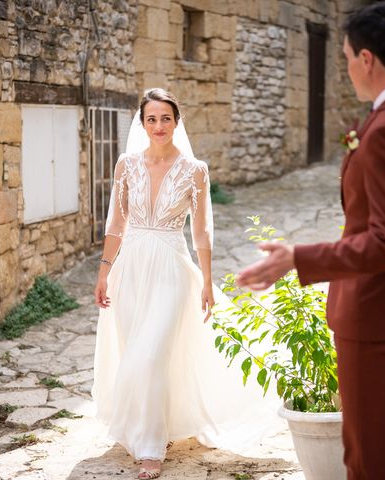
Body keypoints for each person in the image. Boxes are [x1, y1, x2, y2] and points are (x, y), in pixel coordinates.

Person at [237, 2, 385, 479]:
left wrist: (299, 257)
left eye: (345, 57)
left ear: (366, 60)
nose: (346, 68)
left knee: (365, 458)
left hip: (378, 311)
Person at [92, 88, 275, 479]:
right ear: (142, 124)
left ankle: (150, 448)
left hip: (173, 271)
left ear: (177, 122)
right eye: (151, 119)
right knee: (133, 351)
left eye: (166, 118)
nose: (159, 126)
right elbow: (115, 225)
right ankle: (146, 427)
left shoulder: (195, 170)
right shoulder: (126, 165)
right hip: (131, 271)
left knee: (152, 353)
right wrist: (104, 270)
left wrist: (207, 282)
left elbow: (203, 232)